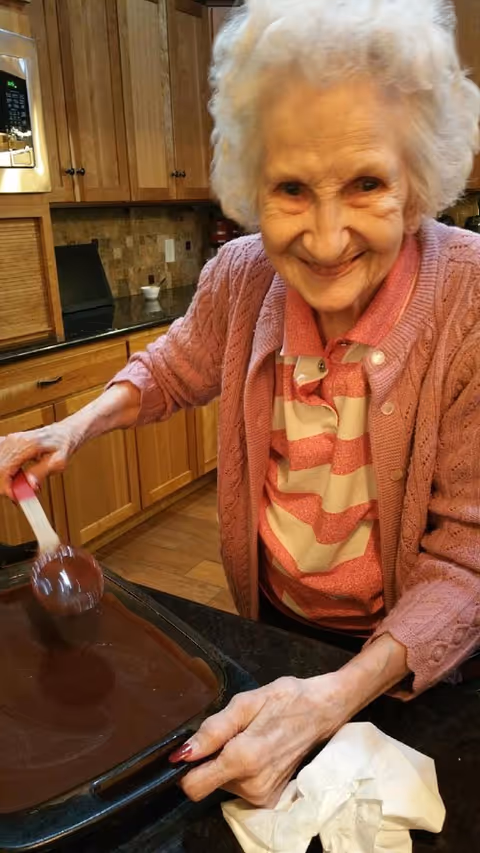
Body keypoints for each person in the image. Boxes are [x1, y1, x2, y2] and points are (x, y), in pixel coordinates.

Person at [1, 0, 480, 809]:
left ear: (418, 177)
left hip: (410, 658)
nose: (326, 242)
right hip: (270, 624)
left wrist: (332, 697)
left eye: (365, 183)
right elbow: (173, 365)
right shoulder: (241, 274)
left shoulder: (469, 299)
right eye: (291, 188)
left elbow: (469, 558)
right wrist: (73, 426)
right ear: (251, 182)